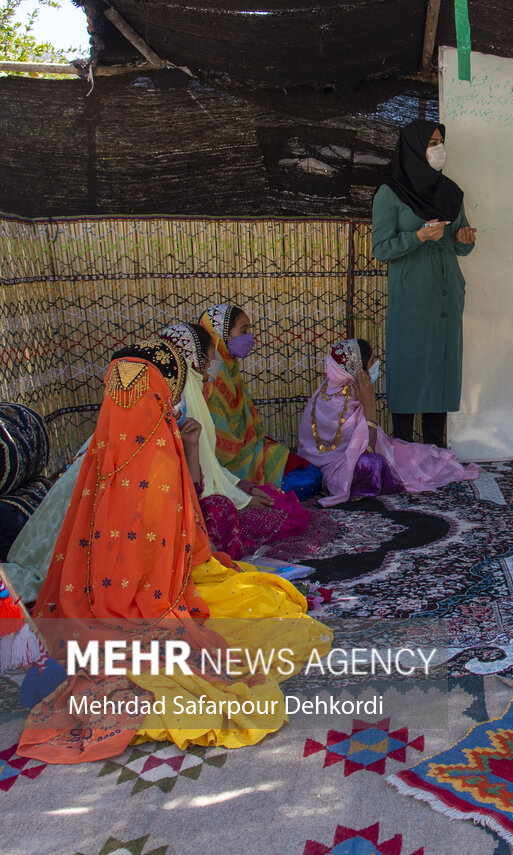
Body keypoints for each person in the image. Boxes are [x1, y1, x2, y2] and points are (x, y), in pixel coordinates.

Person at [17, 340, 330, 763]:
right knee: (264, 607)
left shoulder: (101, 450)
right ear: (164, 392)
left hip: (86, 604)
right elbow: (175, 550)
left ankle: (66, 668)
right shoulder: (159, 454)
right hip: (155, 597)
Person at [159, 322, 334, 561]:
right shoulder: (184, 400)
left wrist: (243, 488)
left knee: (278, 500)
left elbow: (211, 462)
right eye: (211, 357)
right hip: (186, 510)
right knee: (274, 516)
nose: (213, 365)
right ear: (194, 360)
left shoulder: (195, 392)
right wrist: (241, 498)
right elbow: (201, 475)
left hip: (215, 485)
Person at [373, 119, 478, 448]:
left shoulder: (450, 192)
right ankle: (402, 449)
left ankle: (436, 451)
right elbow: (381, 249)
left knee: (441, 368)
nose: (438, 149)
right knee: (409, 366)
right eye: (431, 143)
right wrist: (418, 236)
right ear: (415, 148)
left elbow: (460, 244)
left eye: (439, 142)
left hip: (447, 297)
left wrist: (464, 239)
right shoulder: (389, 194)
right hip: (412, 298)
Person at [298, 339, 480, 506]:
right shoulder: (346, 402)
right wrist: (369, 407)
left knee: (405, 455)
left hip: (313, 470)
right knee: (373, 465)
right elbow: (367, 450)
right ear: (358, 371)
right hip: (336, 477)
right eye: (371, 363)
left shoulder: (324, 392)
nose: (374, 367)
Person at [199, 304, 322, 498]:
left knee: (308, 472)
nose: (249, 336)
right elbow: (217, 434)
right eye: (243, 330)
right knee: (307, 479)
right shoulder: (213, 373)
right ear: (222, 333)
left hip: (249, 447)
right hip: (231, 460)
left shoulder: (229, 365)